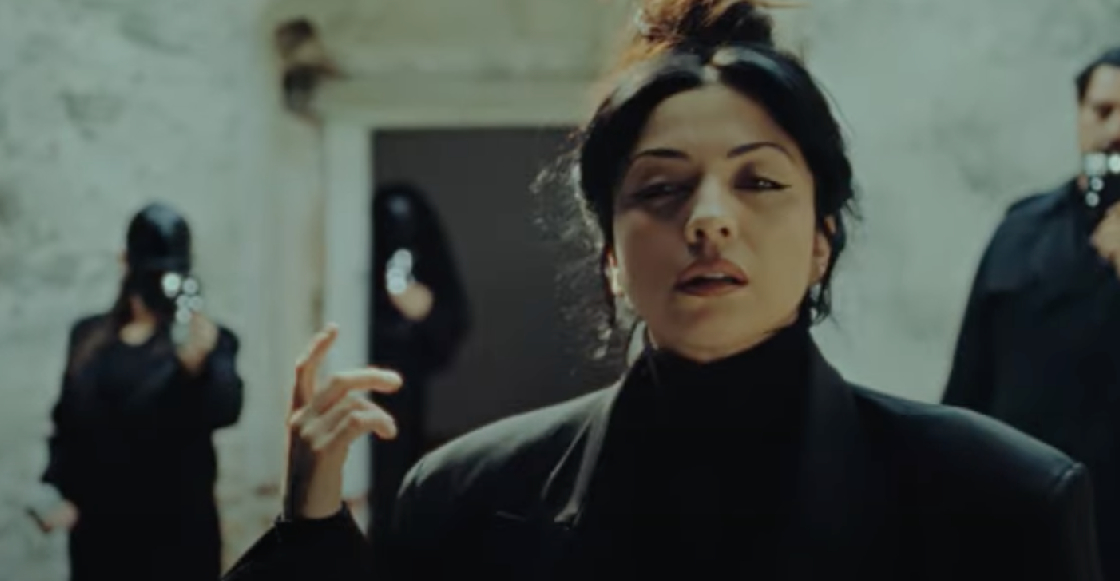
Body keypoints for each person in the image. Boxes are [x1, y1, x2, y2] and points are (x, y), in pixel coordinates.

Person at [224, 2, 1103, 580]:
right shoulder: (466, 499)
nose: (709, 220)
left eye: (759, 182)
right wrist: (309, 530)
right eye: (661, 188)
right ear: (610, 252)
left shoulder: (999, 502)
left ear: (822, 241)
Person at [942, 45, 1120, 578]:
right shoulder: (1021, 228)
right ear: (1080, 114)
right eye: (1103, 111)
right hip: (1014, 527)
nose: (1116, 131)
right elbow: (969, 381)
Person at [38, 202, 244, 581]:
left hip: (178, 534)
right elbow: (69, 421)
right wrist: (59, 490)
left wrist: (197, 368)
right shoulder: (89, 338)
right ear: (125, 263)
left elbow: (226, 408)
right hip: (102, 536)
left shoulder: (203, 339)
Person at [366, 182, 471, 548]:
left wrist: (425, 310)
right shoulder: (355, 262)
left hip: (402, 390)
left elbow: (452, 322)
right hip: (358, 383)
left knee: (396, 484)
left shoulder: (423, 260)